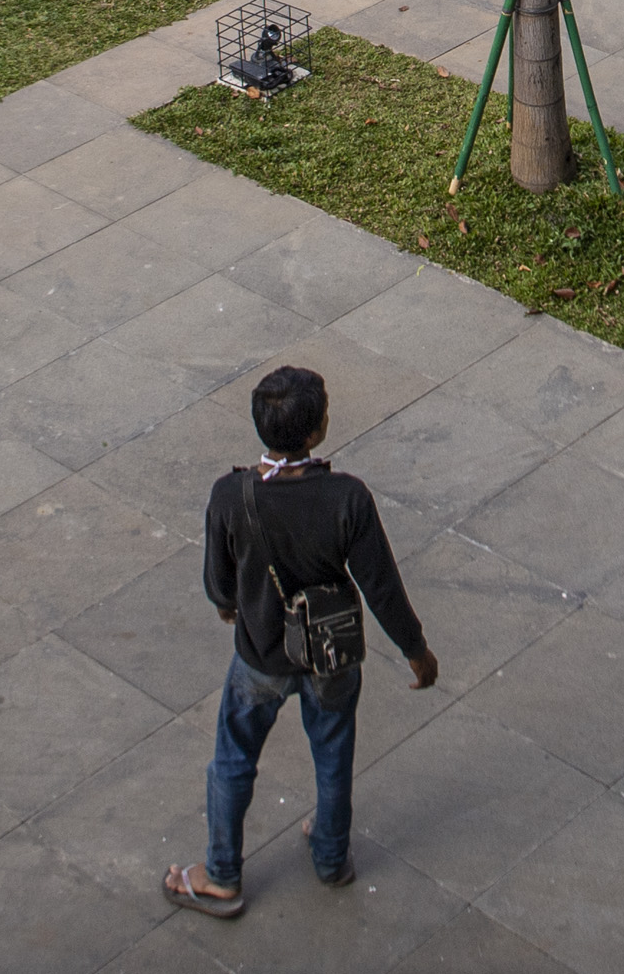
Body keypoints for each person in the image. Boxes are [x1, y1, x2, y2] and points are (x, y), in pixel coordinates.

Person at [164, 365, 435, 917]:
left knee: (233, 759)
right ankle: (332, 858)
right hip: (331, 656)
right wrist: (416, 650)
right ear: (315, 432)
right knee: (333, 755)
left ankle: (221, 875)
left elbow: (219, 584)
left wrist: (229, 605)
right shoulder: (347, 497)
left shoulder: (229, 495)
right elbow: (381, 586)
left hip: (259, 657)